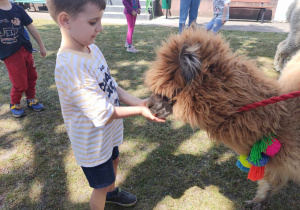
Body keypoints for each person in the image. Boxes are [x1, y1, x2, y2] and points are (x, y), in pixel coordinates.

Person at [45, 0, 165, 209]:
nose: (100, 27)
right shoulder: (71, 67)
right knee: (99, 186)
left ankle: (112, 193)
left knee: (114, 161)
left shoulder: (92, 49)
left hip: (107, 134)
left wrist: (139, 102)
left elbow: (111, 85)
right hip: (92, 143)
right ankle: (105, 194)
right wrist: (140, 111)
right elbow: (103, 112)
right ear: (65, 20)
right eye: (93, 22)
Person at [0, 0, 47, 117]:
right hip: (10, 54)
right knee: (20, 82)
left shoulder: (18, 9)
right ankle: (15, 103)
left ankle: (31, 99)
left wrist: (41, 46)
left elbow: (31, 28)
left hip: (25, 50)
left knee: (32, 76)